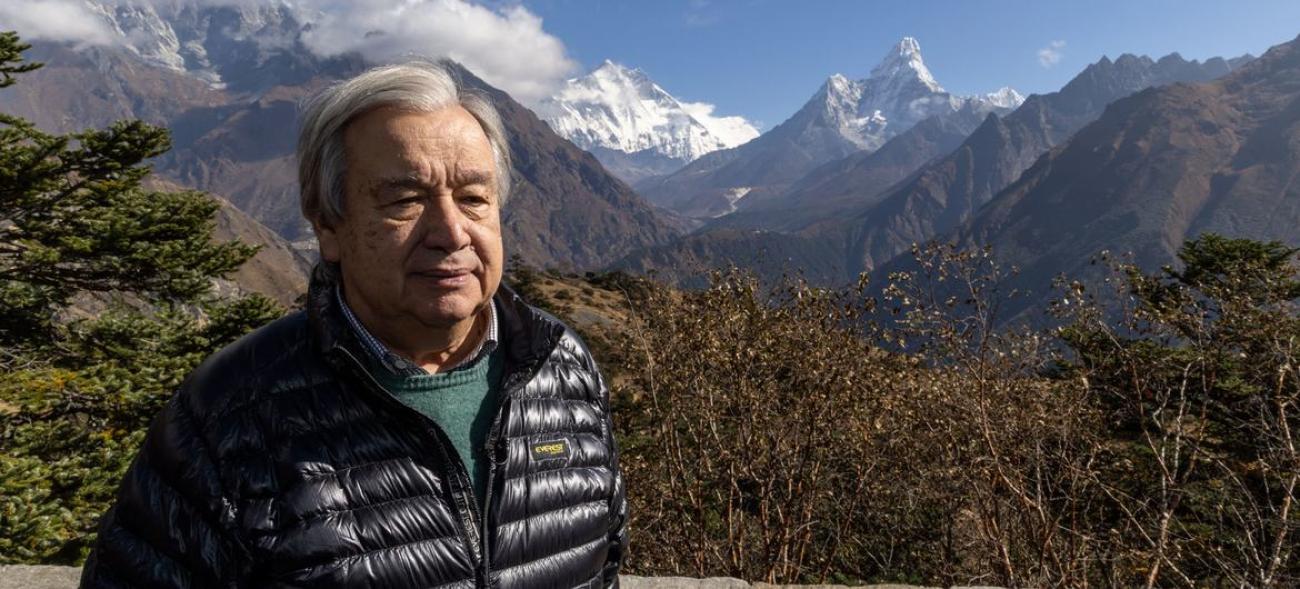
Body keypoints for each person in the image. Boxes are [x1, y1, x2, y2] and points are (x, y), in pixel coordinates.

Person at [80, 61, 627, 588]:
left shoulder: (560, 366)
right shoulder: (230, 413)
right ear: (329, 227)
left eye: (474, 198)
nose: (451, 232)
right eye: (406, 200)